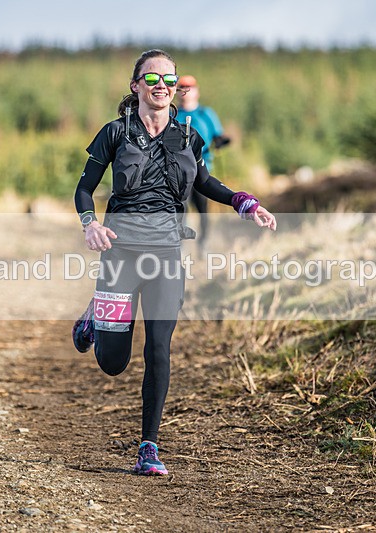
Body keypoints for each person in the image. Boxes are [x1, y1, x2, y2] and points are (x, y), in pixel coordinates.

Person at [71, 49, 276, 476]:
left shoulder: (187, 136)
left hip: (166, 255)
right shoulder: (115, 133)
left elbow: (204, 181)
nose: (162, 86)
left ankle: (149, 447)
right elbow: (84, 189)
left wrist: (243, 201)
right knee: (113, 363)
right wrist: (90, 224)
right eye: (152, 79)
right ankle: (95, 319)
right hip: (120, 256)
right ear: (136, 87)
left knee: (159, 349)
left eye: (169, 79)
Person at [175, 75, 231, 249]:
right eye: (182, 88)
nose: (186, 92)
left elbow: (218, 134)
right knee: (181, 210)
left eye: (189, 88)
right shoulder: (172, 113)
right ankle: (180, 248)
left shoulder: (206, 114)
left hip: (203, 169)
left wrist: (221, 141)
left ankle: (203, 244)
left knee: (203, 211)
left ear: (196, 92)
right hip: (179, 172)